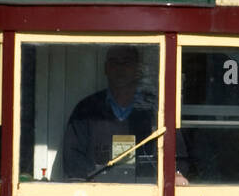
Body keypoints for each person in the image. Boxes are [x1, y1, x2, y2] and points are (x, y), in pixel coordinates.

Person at [62, 45, 189, 183]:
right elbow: (72, 158)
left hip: (148, 194)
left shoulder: (156, 108)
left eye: (127, 62)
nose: (120, 68)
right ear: (106, 68)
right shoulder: (86, 109)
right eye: (114, 62)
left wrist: (175, 174)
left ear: (137, 69)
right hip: (97, 195)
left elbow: (178, 158)